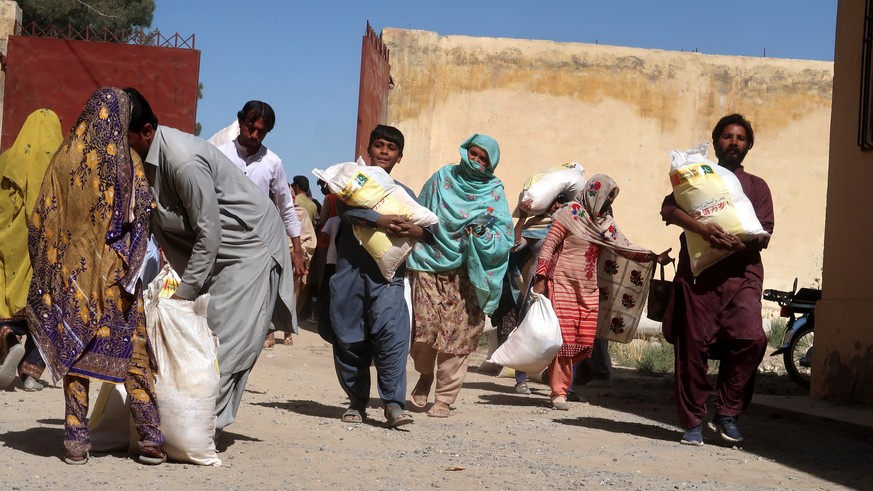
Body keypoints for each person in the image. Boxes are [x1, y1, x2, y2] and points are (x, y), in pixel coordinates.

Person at [124, 87, 297, 432]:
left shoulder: (183, 161)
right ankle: (184, 425)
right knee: (204, 336)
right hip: (222, 253)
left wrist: (186, 292)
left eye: (121, 137)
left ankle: (197, 428)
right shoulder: (145, 159)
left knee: (223, 340)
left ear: (145, 132)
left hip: (249, 248)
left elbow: (209, 232)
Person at [26, 88, 165, 465]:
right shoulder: (128, 161)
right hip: (112, 281)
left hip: (72, 281)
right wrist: (130, 263)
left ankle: (75, 441)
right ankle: (151, 438)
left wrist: (50, 274)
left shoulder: (62, 158)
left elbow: (40, 218)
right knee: (135, 354)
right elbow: (142, 219)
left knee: (75, 357)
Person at [661, 114, 773, 446]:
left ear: (749, 145)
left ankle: (727, 411)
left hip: (743, 274)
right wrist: (701, 229)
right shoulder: (696, 177)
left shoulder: (757, 186)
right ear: (715, 142)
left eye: (740, 138)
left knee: (752, 338)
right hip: (700, 278)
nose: (734, 142)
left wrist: (740, 243)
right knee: (693, 347)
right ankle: (693, 420)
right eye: (727, 136)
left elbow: (764, 232)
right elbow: (669, 210)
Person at [533, 175, 671, 410]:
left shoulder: (605, 222)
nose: (608, 202)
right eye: (606, 196)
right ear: (594, 193)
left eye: (611, 197)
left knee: (585, 342)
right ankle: (560, 391)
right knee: (566, 340)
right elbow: (549, 245)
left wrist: (653, 257)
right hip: (563, 283)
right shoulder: (570, 213)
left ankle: (555, 373)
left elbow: (623, 247)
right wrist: (542, 278)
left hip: (589, 288)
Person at [328, 124, 431, 427]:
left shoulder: (404, 194)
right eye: (379, 146)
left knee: (391, 337)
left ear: (400, 156)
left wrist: (414, 230)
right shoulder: (352, 182)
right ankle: (357, 402)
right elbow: (346, 211)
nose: (384, 152)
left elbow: (428, 231)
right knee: (349, 339)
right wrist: (380, 220)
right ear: (369, 149)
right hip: (349, 274)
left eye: (391, 148)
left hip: (388, 279)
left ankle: (393, 405)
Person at [407, 134, 512, 418]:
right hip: (429, 260)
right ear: (465, 151)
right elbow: (420, 213)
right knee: (425, 329)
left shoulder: (493, 191)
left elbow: (505, 235)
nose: (476, 162)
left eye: (483, 159)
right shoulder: (442, 179)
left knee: (458, 334)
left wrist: (482, 235)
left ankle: (444, 397)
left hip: (469, 270)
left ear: (491, 165)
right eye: (473, 155)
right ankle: (425, 375)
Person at [216, 100, 306, 348]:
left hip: (257, 246)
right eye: (250, 128)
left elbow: (285, 207)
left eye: (261, 132)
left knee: (252, 303)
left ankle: (243, 347)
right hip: (222, 243)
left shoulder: (273, 162)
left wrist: (296, 251)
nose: (254, 135)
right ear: (240, 121)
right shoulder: (219, 155)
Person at [0, 108, 62, 391]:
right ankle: (31, 375)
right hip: (44, 252)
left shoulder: (7, 162)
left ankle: (11, 339)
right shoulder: (59, 167)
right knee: (46, 310)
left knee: (5, 305)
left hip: (9, 248)